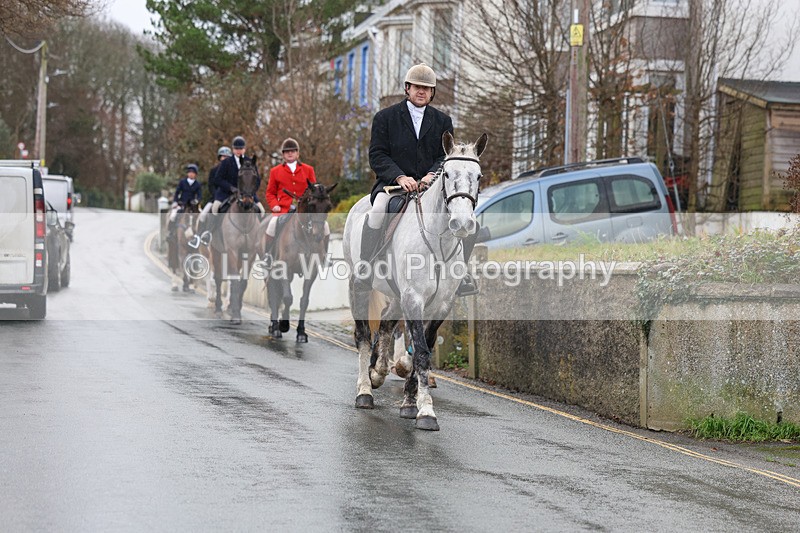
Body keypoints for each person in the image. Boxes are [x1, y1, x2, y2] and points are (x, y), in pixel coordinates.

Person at [362, 63, 478, 296]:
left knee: (469, 220)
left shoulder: (443, 120)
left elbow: (445, 156)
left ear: (432, 92)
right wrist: (399, 176)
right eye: (417, 87)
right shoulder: (385, 117)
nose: (421, 91)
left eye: (426, 88)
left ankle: (461, 273)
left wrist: (432, 174)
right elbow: (377, 154)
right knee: (377, 211)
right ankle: (365, 267)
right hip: (393, 186)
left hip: (431, 187)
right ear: (407, 88)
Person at [262, 137, 330, 266]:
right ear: (283, 155)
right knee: (272, 224)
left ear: (297, 153)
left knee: (325, 226)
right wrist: (274, 205)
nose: (290, 153)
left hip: (305, 210)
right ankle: (268, 256)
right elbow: (270, 193)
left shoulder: (308, 169)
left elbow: (314, 191)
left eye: (292, 151)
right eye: (287, 151)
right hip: (283, 208)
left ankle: (324, 256)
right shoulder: (275, 171)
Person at [197, 135, 263, 246]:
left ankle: (259, 238)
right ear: (233, 149)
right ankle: (209, 233)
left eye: (241, 148)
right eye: (236, 148)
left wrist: (251, 191)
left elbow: (257, 180)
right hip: (226, 193)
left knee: (262, 210)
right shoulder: (226, 162)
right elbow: (218, 179)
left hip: (247, 193)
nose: (239, 151)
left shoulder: (250, 161)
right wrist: (231, 188)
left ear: (244, 149)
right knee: (215, 208)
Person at [168, 163, 202, 239]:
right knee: (173, 216)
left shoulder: (197, 184)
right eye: (189, 172)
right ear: (187, 173)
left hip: (193, 206)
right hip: (182, 204)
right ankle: (171, 232)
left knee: (201, 216)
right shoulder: (182, 182)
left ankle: (199, 234)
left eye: (193, 172)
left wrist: (197, 201)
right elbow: (177, 192)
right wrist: (175, 201)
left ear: (195, 174)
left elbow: (199, 195)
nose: (191, 174)